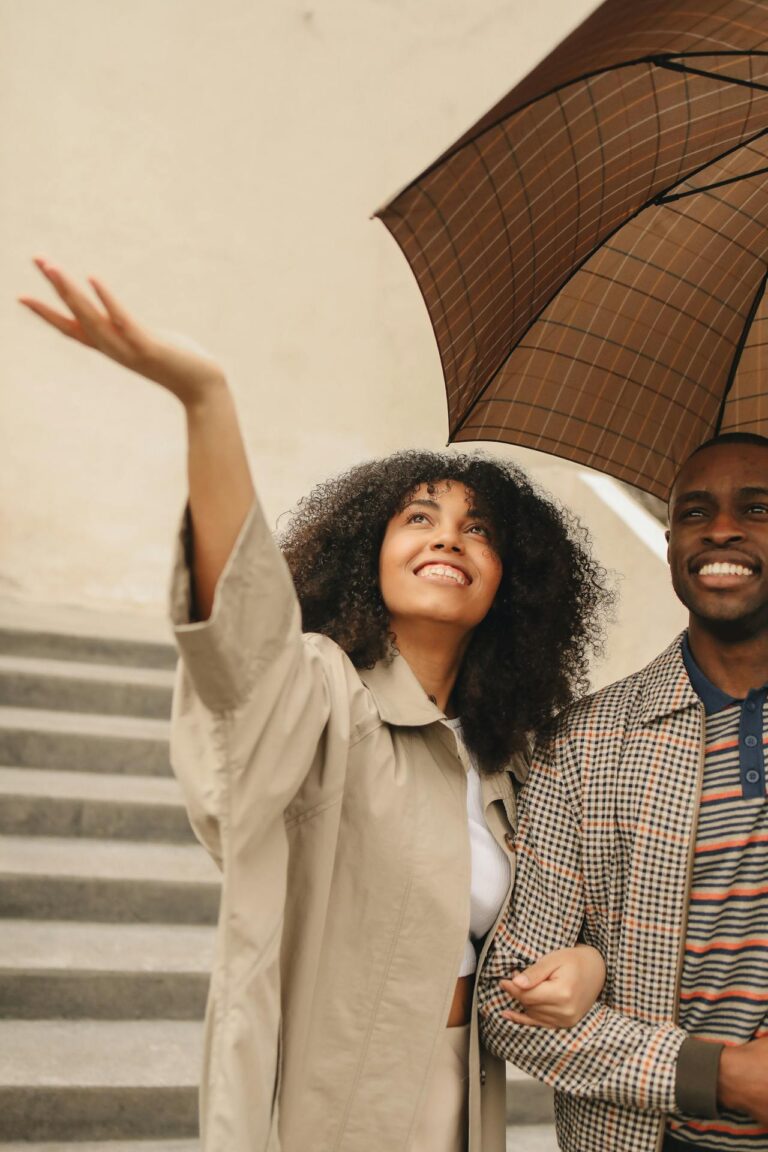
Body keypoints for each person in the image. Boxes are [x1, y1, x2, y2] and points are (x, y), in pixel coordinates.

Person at [20, 258, 612, 1152]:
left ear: (511, 586)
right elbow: (245, 643)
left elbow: (566, 919)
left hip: (463, 1088)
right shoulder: (324, 691)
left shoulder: (505, 756)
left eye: (477, 529)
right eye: (418, 517)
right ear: (364, 555)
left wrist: (589, 965)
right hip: (333, 1095)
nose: (448, 535)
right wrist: (208, 402)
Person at [478, 432, 768, 1152]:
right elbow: (507, 1000)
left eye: (757, 508)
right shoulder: (587, 744)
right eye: (696, 513)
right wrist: (716, 1074)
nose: (723, 528)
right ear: (670, 545)